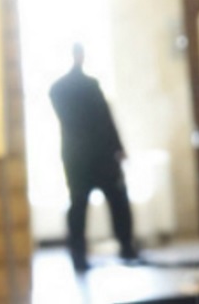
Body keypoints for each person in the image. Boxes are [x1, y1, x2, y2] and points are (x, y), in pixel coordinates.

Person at [49, 43, 138, 271]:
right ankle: (123, 246)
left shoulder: (59, 89)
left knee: (86, 205)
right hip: (96, 155)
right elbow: (105, 119)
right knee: (106, 202)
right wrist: (117, 148)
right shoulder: (82, 87)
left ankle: (83, 254)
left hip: (79, 156)